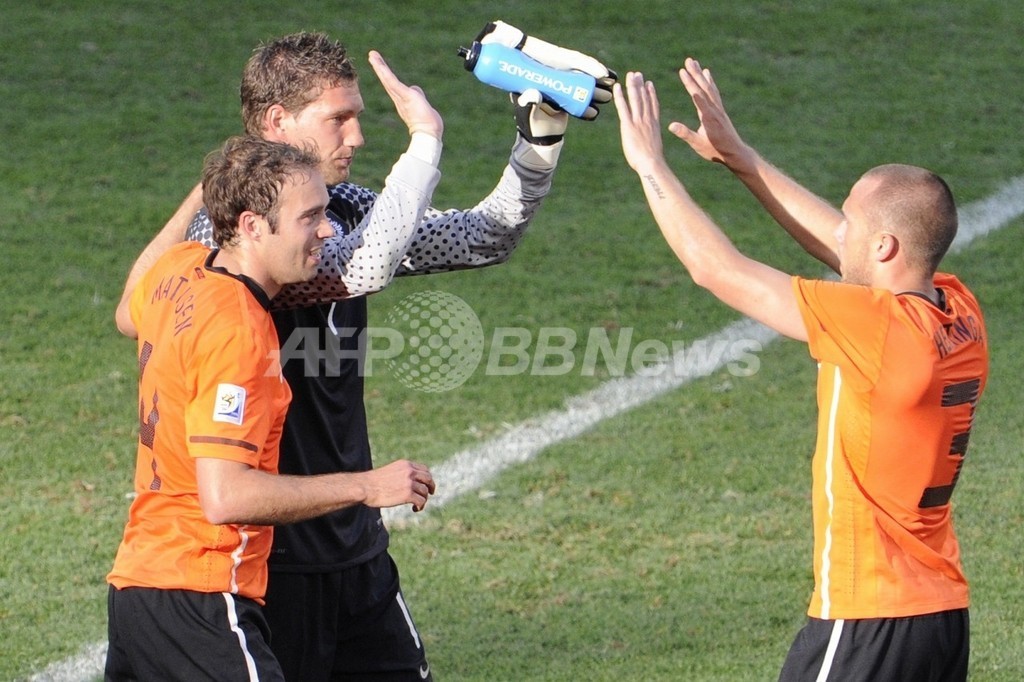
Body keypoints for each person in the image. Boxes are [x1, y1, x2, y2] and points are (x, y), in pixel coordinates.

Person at [122, 25, 616, 681]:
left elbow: (481, 238)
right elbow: (363, 266)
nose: (356, 137)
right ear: (277, 123)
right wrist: (425, 141)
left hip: (355, 548)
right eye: (338, 119)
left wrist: (538, 143)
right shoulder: (230, 240)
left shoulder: (343, 208)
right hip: (276, 559)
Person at [613, 60, 988, 681]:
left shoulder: (880, 330)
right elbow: (844, 245)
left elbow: (719, 270)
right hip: (940, 616)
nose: (841, 231)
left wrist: (649, 164)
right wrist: (740, 159)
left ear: (885, 248)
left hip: (870, 618)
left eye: (853, 221)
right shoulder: (957, 309)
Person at [106, 135, 436, 682]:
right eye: (310, 218)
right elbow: (226, 496)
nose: (327, 231)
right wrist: (366, 487)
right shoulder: (239, 331)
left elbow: (126, 312)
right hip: (203, 593)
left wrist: (208, 189)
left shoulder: (182, 269)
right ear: (253, 226)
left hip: (138, 587)